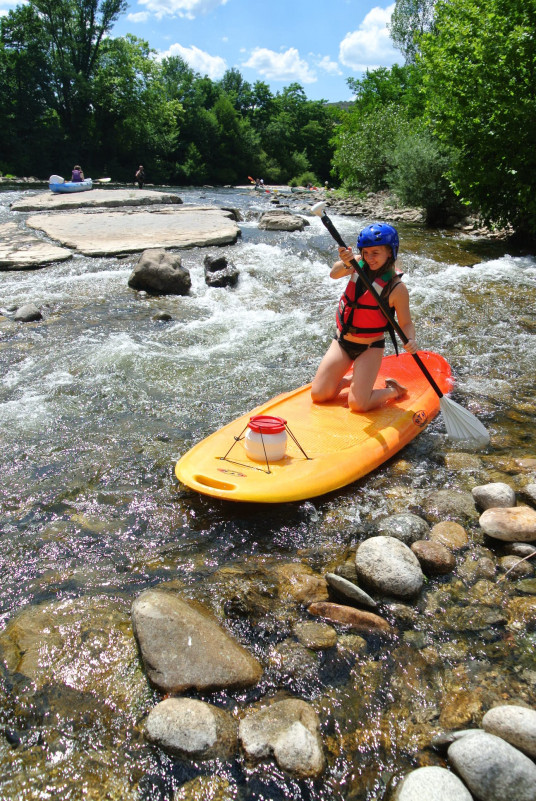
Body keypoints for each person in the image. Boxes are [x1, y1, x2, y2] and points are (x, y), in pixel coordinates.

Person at [311, 222, 418, 413]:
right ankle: (350, 381)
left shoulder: (396, 288)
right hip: (342, 342)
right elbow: (334, 274)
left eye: (375, 253)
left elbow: (406, 323)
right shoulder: (355, 264)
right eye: (365, 252)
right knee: (319, 395)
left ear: (390, 253)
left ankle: (394, 390)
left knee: (358, 405)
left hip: (369, 347)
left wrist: (410, 339)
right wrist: (346, 261)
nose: (369, 258)